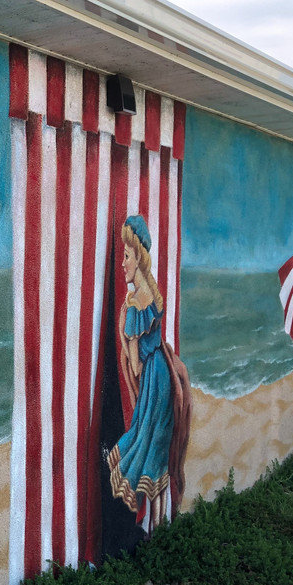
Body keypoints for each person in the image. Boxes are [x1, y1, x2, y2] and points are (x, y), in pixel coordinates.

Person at [106, 215, 190, 533]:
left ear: (138, 256)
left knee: (146, 439)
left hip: (154, 378)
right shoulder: (150, 297)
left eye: (126, 255)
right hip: (162, 374)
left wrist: (131, 354)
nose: (123, 262)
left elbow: (135, 361)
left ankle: (154, 526)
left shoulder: (137, 302)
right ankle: (157, 523)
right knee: (158, 441)